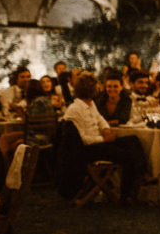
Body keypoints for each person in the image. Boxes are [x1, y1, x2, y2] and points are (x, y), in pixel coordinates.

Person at [62, 72, 148, 203]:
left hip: (98, 143)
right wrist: (104, 139)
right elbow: (84, 140)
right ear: (92, 90)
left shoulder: (90, 104)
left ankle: (142, 174)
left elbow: (100, 119)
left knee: (133, 140)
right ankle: (126, 196)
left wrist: (106, 129)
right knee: (127, 156)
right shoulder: (75, 109)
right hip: (87, 149)